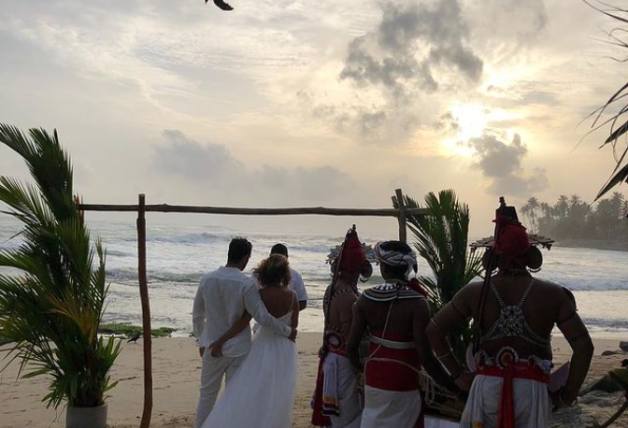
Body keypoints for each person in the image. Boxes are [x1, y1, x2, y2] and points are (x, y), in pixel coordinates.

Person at [426, 208, 594, 428]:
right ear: (530, 254)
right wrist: (567, 395)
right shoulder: (552, 294)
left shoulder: (474, 292)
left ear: (492, 255)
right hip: (532, 391)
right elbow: (584, 346)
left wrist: (458, 375)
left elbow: (433, 331)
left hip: (486, 389)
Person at [347, 240, 458, 428]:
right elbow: (426, 357)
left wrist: (362, 369)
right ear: (407, 268)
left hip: (374, 376)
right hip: (404, 377)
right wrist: (453, 386)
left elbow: (351, 348)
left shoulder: (366, 299)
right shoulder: (418, 302)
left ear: (383, 268)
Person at [192, 238, 297, 428]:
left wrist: (201, 340)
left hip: (211, 346)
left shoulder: (207, 279)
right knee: (233, 397)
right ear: (245, 258)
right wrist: (287, 330)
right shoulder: (246, 285)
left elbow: (198, 315)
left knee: (206, 396)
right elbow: (262, 317)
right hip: (239, 348)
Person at [312, 226, 371, 428]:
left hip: (333, 357)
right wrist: (359, 367)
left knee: (338, 415)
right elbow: (350, 337)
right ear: (354, 270)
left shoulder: (332, 288)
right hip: (343, 361)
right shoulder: (347, 296)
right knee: (348, 415)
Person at [270, 243, 308, 311]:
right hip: (264, 319)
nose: (278, 261)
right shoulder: (259, 275)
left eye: (280, 258)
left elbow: (303, 302)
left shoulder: (295, 276)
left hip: (287, 319)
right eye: (276, 258)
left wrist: (285, 312)